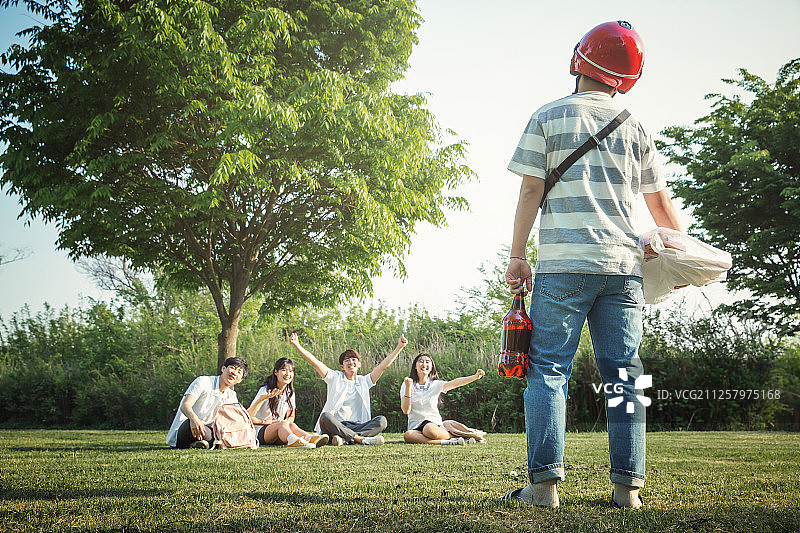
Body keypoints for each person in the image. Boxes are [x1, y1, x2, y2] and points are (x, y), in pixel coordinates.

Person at [500, 21, 683, 509]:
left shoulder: (548, 116)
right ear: (626, 78)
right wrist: (684, 260)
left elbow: (530, 191)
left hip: (562, 265)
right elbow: (660, 206)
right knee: (626, 374)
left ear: (580, 59)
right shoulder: (635, 126)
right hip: (623, 268)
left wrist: (518, 258)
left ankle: (543, 487)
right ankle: (628, 490)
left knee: (548, 371)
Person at [289, 332, 408, 445]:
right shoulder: (334, 377)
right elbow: (315, 363)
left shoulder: (364, 381)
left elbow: (383, 367)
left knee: (382, 421)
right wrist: (297, 345)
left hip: (357, 425)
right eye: (347, 361)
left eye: (354, 359)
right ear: (342, 366)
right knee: (325, 417)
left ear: (359, 364)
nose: (351, 362)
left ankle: (346, 438)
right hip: (336, 425)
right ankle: (359, 439)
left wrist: (399, 347)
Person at [400, 352, 485, 445]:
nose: (424, 364)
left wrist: (475, 377)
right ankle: (449, 442)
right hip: (415, 425)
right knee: (408, 435)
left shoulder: (435, 384)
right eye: (420, 361)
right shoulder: (407, 384)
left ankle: (461, 436)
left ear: (431, 368)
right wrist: (408, 387)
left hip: (432, 424)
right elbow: (406, 410)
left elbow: (455, 383)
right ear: (415, 366)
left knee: (429, 430)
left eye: (427, 362)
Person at [166, 357, 249, 449]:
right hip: (187, 427)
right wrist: (194, 419)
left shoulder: (232, 395)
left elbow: (230, 422)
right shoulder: (203, 381)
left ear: (240, 380)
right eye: (232, 367)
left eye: (239, 372)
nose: (234, 373)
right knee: (190, 425)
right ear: (223, 369)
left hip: (208, 431)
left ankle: (201, 443)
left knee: (220, 435)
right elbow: (185, 405)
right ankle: (203, 443)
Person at [247, 357, 329, 449]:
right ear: (276, 372)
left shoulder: (290, 393)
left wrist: (286, 422)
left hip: (279, 430)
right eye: (284, 370)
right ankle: (294, 442)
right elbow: (249, 417)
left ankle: (310, 438)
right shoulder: (265, 390)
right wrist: (263, 401)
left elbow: (291, 416)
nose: (288, 374)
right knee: (282, 425)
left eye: (291, 371)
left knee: (291, 425)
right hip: (260, 432)